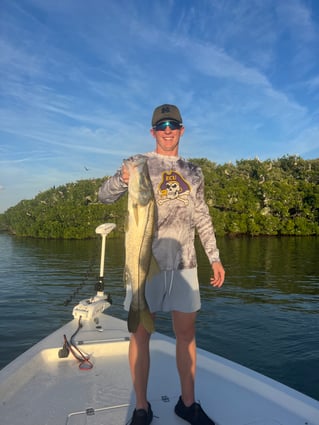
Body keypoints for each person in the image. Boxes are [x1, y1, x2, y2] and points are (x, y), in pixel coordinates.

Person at [98, 104, 225, 425]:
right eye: (161, 125)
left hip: (186, 264)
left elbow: (202, 215)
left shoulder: (194, 171)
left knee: (187, 334)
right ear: (153, 132)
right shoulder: (136, 163)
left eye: (173, 125)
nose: (167, 130)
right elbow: (104, 196)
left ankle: (188, 403)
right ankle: (141, 407)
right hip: (143, 264)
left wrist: (215, 256)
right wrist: (121, 179)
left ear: (182, 130)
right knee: (140, 335)